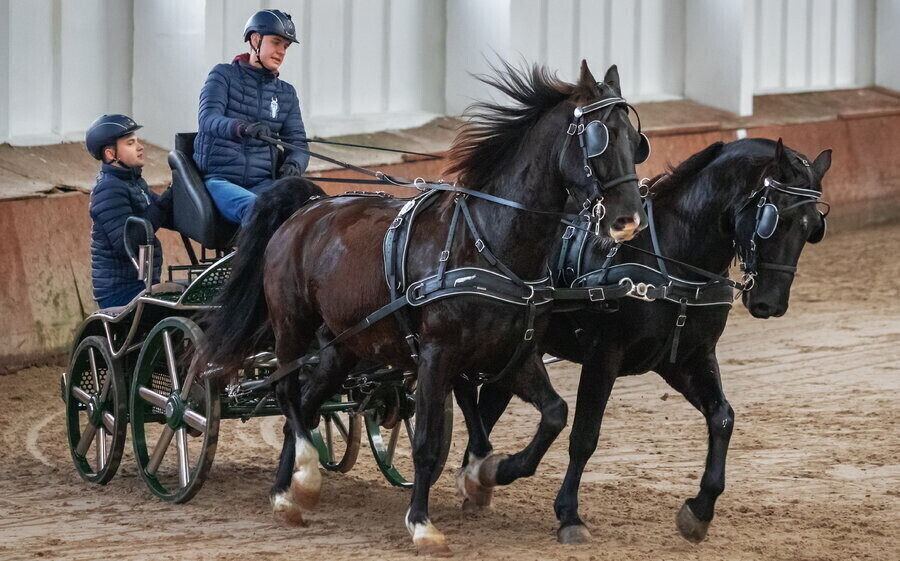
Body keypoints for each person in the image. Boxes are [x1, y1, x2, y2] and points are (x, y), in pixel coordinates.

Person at [193, 9, 310, 225]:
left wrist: (294, 164)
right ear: (256, 39)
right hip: (220, 180)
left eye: (285, 46)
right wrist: (242, 128)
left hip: (262, 182)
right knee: (260, 212)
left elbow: (298, 143)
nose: (282, 51)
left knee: (310, 213)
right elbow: (208, 119)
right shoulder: (222, 75)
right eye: (276, 42)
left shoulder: (286, 93)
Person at [85, 114, 173, 309]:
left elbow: (164, 213)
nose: (140, 147)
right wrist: (166, 200)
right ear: (110, 154)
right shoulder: (109, 189)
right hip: (120, 291)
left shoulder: (133, 183)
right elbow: (128, 241)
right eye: (131, 143)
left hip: (142, 283)